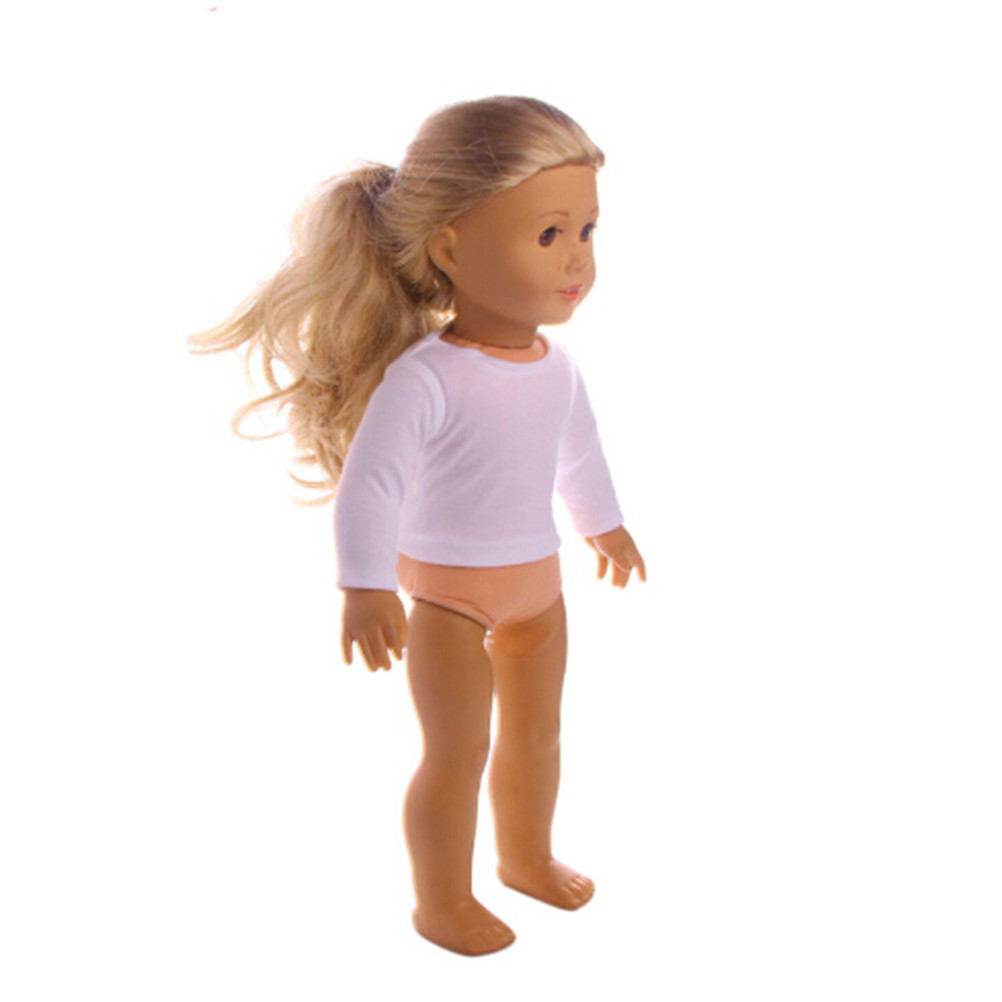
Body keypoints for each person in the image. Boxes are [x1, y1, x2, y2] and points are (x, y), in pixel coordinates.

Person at [190, 96, 646, 956]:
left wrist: (605, 525)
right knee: (457, 749)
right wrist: (365, 586)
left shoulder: (559, 369)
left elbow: (577, 455)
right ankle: (442, 902)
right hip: (447, 596)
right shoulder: (426, 376)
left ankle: (526, 857)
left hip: (539, 584)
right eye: (549, 234)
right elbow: (373, 483)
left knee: (538, 734)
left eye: (587, 230)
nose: (577, 258)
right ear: (449, 248)